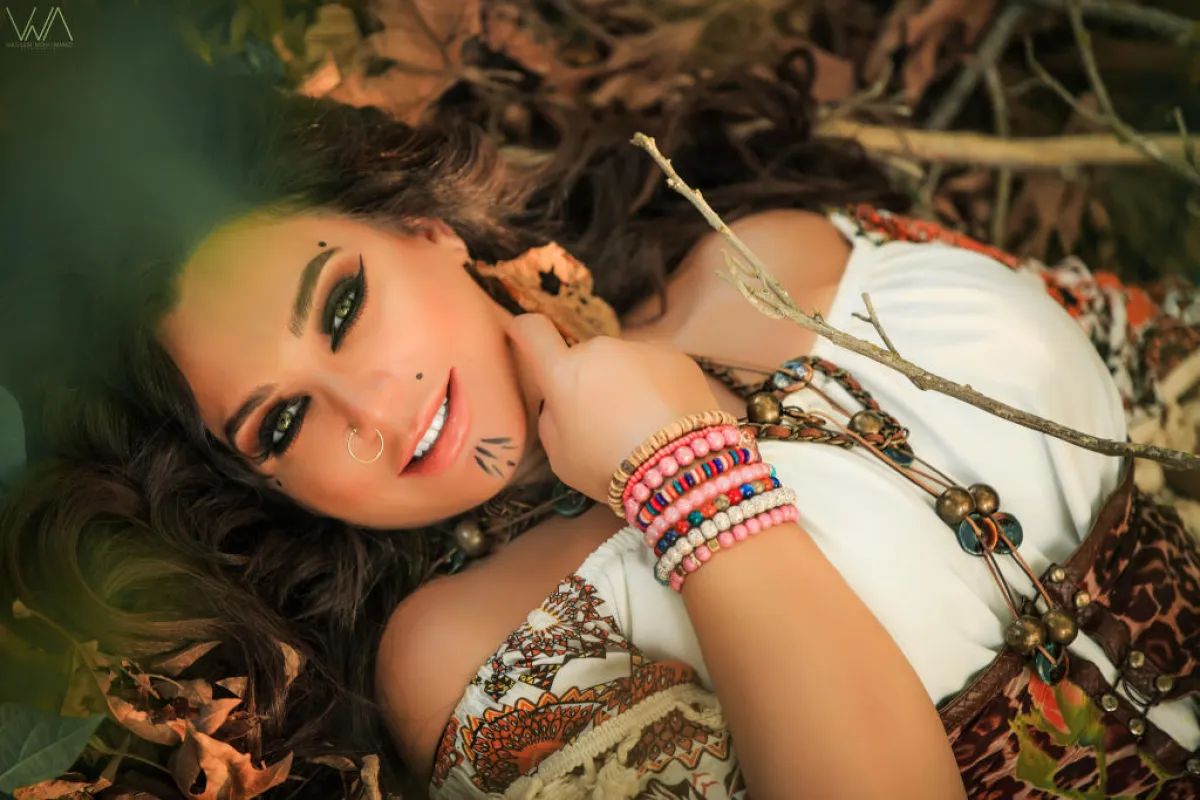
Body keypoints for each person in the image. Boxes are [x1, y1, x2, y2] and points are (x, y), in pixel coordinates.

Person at [1, 8, 1197, 799]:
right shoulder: (460, 656)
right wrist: (679, 474)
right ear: (262, 484)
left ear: (425, 229)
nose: (369, 408)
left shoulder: (769, 255)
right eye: (280, 422)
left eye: (346, 304)